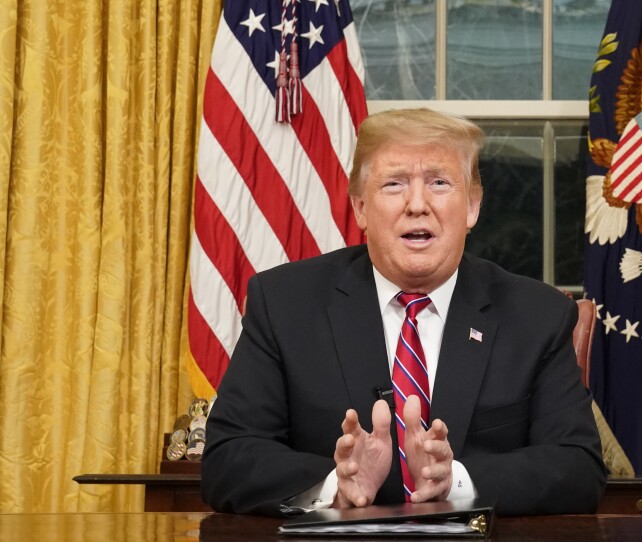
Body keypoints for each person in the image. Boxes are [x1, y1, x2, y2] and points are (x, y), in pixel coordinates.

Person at [200, 108, 606, 517]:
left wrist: (457, 482)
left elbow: (578, 467)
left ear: (472, 207)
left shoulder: (537, 317)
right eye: (394, 184)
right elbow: (227, 458)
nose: (417, 205)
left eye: (439, 183)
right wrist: (334, 485)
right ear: (360, 207)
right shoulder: (285, 304)